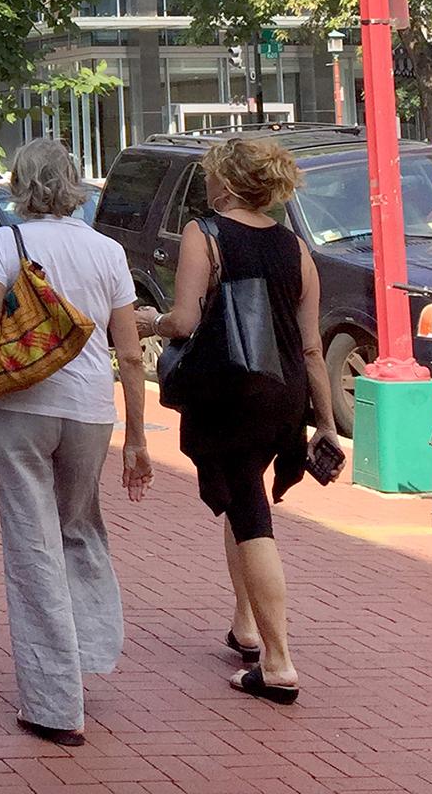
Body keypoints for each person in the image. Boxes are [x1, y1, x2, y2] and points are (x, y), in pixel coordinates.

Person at [136, 136, 339, 707]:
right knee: (241, 490)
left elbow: (183, 320)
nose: (205, 184)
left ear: (225, 182)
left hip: (233, 391)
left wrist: (144, 321)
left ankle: (278, 663)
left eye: (209, 176)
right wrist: (323, 422)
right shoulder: (296, 248)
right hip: (284, 396)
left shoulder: (207, 233)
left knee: (251, 513)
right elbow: (310, 349)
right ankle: (245, 629)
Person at [0, 138, 153, 748]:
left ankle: (53, 704)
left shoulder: (5, 243)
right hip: (91, 412)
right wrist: (137, 437)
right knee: (80, 529)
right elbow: (129, 352)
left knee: (32, 545)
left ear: (22, 182)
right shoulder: (108, 250)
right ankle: (89, 652)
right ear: (72, 184)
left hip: (21, 407)